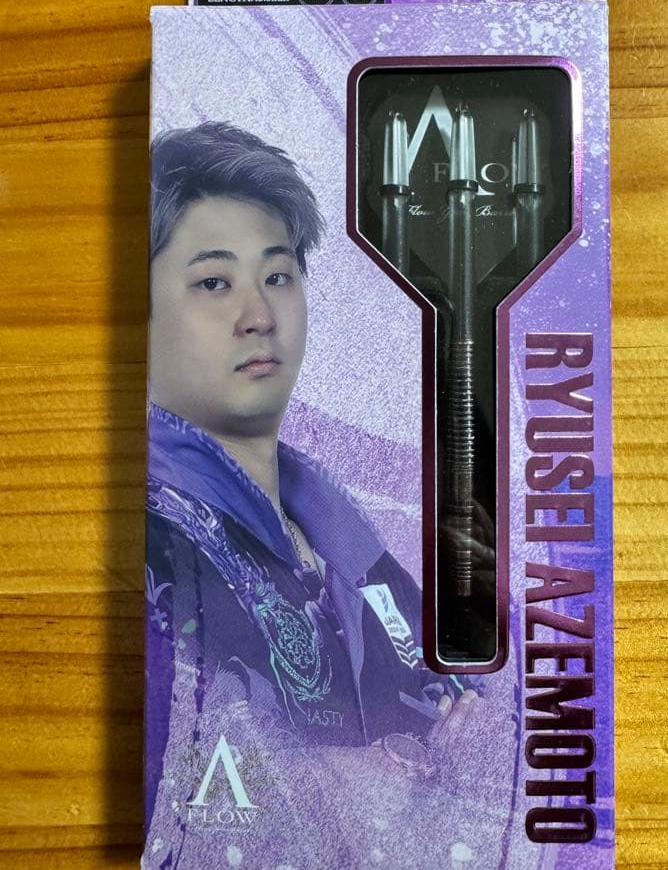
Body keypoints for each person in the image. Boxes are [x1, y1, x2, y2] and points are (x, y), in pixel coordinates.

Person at [144, 122, 477, 834]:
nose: (259, 317)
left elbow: (454, 686)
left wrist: (466, 729)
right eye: (213, 282)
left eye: (277, 277)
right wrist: (322, 782)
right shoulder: (150, 543)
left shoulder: (338, 525)